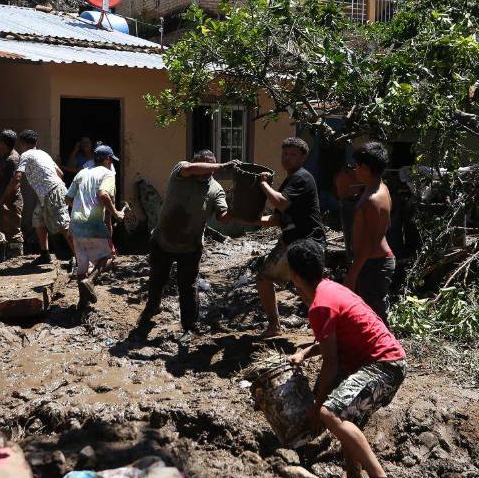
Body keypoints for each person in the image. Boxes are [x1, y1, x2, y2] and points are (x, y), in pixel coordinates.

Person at [286, 238, 406, 478]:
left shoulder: (320, 305)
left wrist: (317, 408)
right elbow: (333, 343)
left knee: (331, 412)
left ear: (295, 275)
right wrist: (304, 354)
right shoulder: (330, 288)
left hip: (384, 366)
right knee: (346, 416)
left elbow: (331, 363)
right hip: (383, 363)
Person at [139, 150, 237, 331]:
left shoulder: (216, 189)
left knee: (188, 288)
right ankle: (152, 308)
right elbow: (192, 169)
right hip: (163, 241)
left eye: (211, 166)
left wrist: (233, 211)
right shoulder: (181, 172)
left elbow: (222, 215)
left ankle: (189, 326)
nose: (208, 170)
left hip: (191, 246)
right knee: (157, 280)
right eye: (204, 165)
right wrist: (223, 166)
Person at [254, 137, 325, 338]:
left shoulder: (301, 177)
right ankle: (275, 326)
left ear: (304, 157)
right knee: (264, 279)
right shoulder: (291, 179)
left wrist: (263, 184)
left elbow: (281, 203)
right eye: (285, 154)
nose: (287, 158)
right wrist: (239, 218)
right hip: (291, 242)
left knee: (308, 290)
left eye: (293, 155)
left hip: (305, 244)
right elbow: (276, 218)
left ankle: (328, 331)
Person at [2, 130, 74, 264]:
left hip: (52, 192)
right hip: (49, 193)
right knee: (37, 219)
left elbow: (17, 178)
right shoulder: (43, 153)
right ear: (36, 142)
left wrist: (5, 197)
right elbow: (60, 173)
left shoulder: (26, 155)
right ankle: (44, 254)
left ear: (22, 143)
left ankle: (81, 259)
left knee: (64, 226)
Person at [65, 144, 123, 305]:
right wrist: (116, 212)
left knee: (82, 266)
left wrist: (80, 207)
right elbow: (103, 194)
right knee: (108, 257)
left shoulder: (82, 173)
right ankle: (90, 281)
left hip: (76, 224)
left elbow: (68, 198)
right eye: (111, 160)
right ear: (108, 159)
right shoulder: (108, 174)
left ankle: (82, 303)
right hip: (93, 223)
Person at [344, 142, 394, 325]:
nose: (355, 170)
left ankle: (387, 351)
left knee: (374, 316)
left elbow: (369, 243)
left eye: (357, 166)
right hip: (372, 262)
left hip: (374, 264)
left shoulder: (372, 200)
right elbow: (385, 225)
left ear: (365, 168)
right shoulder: (380, 188)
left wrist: (353, 273)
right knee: (368, 312)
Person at [0, 129, 23, 258]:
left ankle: (16, 259)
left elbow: (15, 182)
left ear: (4, 143)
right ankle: (7, 258)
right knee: (6, 230)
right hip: (6, 201)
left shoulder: (12, 159)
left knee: (14, 232)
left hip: (11, 201)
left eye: (0, 141)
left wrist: (4, 201)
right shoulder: (6, 157)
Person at [334, 161, 364, 263]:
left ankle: (351, 256)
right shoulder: (349, 177)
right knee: (351, 230)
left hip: (346, 203)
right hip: (350, 203)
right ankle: (352, 256)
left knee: (349, 230)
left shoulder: (340, 176)